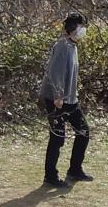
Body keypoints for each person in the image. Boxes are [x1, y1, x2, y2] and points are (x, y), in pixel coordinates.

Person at [37, 12, 92, 188]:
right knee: (57, 138)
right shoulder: (62, 46)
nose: (83, 30)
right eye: (81, 27)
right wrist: (58, 95)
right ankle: (50, 176)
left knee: (83, 132)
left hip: (70, 99)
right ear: (72, 28)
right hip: (57, 99)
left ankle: (75, 169)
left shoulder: (73, 46)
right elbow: (55, 73)